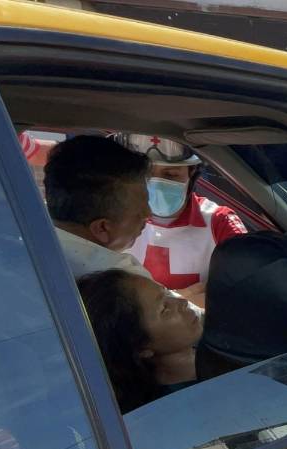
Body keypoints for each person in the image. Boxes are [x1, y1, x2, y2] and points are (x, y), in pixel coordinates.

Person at [115, 134, 248, 307]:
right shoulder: (116, 218)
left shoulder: (219, 221)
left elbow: (248, 285)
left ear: (191, 173)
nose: (156, 184)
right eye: (146, 174)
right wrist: (180, 300)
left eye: (170, 174)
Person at [77, 269, 202, 413]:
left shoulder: (215, 342)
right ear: (141, 347)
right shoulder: (173, 409)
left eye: (167, 292)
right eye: (164, 309)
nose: (182, 302)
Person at [43, 135, 154, 280]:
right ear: (102, 228)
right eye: (140, 214)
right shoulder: (128, 281)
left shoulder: (20, 248)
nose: (149, 215)